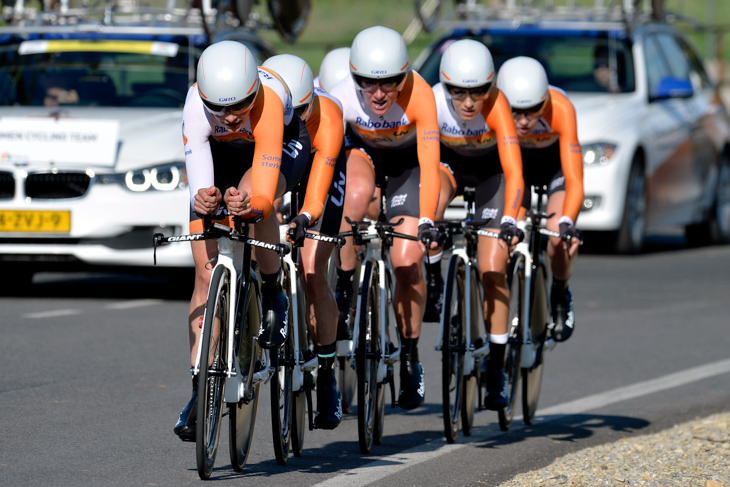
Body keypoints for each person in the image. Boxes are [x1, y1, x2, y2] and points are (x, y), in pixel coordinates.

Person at [173, 41, 311, 441]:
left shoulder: (268, 102)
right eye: (220, 108)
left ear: (254, 92)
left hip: (277, 147)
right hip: (219, 153)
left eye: (240, 106)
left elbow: (264, 193)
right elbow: (199, 183)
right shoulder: (195, 105)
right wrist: (206, 199)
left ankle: (272, 292)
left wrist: (248, 204)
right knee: (205, 272)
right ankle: (201, 392)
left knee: (254, 202)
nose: (231, 117)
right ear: (202, 95)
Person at [330, 26, 442, 411]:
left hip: (408, 166)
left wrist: (427, 219)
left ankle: (410, 356)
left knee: (408, 263)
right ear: (353, 76)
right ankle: (344, 288)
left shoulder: (421, 95)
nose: (378, 95)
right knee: (351, 201)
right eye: (367, 83)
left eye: (390, 83)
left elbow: (429, 166)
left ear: (405, 75)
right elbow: (324, 159)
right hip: (363, 158)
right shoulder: (342, 96)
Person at [428, 39, 525, 410]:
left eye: (478, 92)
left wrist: (511, 220)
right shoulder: (434, 101)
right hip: (448, 167)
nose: (468, 102)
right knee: (431, 207)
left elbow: (515, 170)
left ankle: (498, 366)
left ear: (491, 86)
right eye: (458, 91)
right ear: (445, 85)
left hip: (491, 175)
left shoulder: (499, 105)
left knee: (492, 267)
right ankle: (436, 283)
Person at [261, 54, 347, 429]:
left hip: (318, 166)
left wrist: (303, 219)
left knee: (312, 270)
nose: (293, 119)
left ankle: (327, 374)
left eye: (300, 110)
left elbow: (316, 194)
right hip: (278, 156)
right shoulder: (263, 109)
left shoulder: (328, 115)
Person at [496, 56, 584, 343]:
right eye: (515, 112)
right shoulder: (493, 108)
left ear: (544, 101)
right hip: (517, 167)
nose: (522, 121)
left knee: (559, 238)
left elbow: (574, 179)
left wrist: (568, 221)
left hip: (553, 167)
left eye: (532, 111)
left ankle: (560, 291)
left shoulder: (561, 107)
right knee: (504, 237)